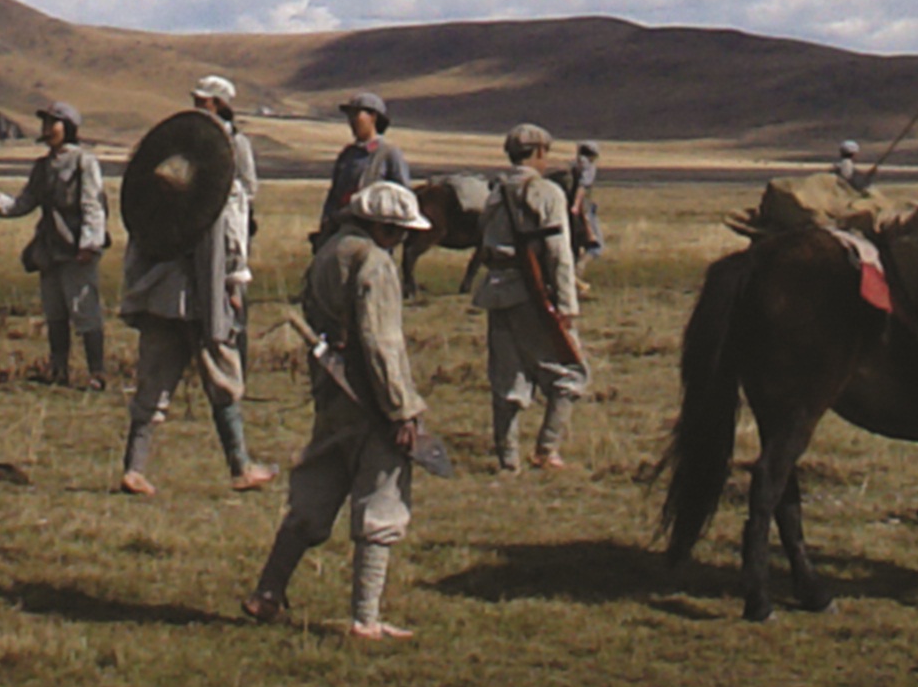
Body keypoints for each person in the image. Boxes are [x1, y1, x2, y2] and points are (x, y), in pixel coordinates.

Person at [255, 156, 441, 640]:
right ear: (381, 226)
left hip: (331, 393)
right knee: (381, 499)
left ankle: (268, 592)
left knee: (315, 491)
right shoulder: (374, 264)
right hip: (369, 396)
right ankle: (366, 618)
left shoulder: (329, 252)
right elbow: (382, 343)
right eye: (399, 232)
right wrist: (403, 409)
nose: (402, 241)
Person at [115, 75, 262, 494]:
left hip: (167, 288)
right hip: (201, 290)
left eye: (204, 102)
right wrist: (234, 284)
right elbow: (231, 233)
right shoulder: (211, 174)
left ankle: (135, 467)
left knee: (157, 375)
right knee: (219, 374)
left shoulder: (209, 158)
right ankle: (240, 466)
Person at [472, 120, 592, 469]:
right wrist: (567, 305)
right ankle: (547, 449)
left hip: (496, 293)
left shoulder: (493, 193)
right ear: (539, 153)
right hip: (533, 297)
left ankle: (508, 459)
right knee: (570, 373)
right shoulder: (547, 193)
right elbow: (558, 254)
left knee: (507, 379)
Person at [16, 104, 114, 385]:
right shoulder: (42, 166)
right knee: (55, 312)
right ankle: (58, 370)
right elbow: (24, 203)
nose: (47, 129)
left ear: (68, 128)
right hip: (49, 249)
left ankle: (97, 372)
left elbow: (92, 204)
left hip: (77, 251)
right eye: (45, 123)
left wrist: (89, 243)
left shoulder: (84, 161)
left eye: (53, 123)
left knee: (84, 311)